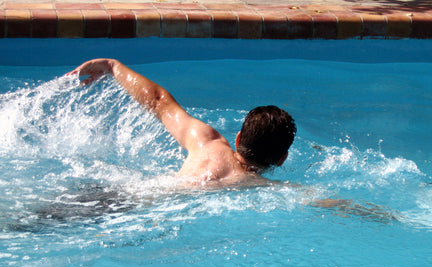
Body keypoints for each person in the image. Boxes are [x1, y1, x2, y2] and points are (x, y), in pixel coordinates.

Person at [67, 58, 296, 188]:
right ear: (282, 159)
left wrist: (113, 67)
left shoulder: (207, 142)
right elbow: (315, 200)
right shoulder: (262, 187)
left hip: (118, 194)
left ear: (238, 138)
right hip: (144, 214)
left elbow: (159, 101)